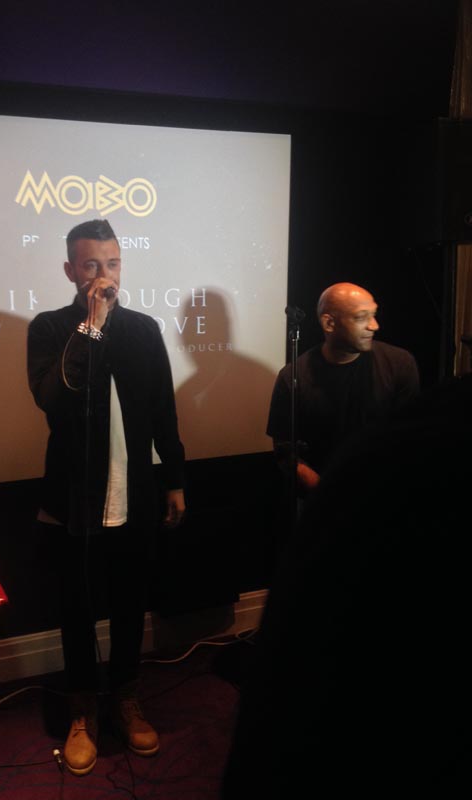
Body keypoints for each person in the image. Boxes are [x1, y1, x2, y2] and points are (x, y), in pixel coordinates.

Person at [222, 370, 472, 797]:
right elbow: (284, 449)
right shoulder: (299, 378)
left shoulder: (400, 368)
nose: (373, 331)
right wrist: (325, 488)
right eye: (361, 320)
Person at [27, 218, 186, 776]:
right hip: (74, 496)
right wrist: (91, 326)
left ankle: (125, 696)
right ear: (70, 270)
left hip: (134, 491)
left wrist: (174, 479)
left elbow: (164, 409)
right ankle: (81, 709)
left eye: (112, 263)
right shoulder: (49, 328)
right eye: (91, 264)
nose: (104, 275)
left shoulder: (143, 329)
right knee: (76, 608)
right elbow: (55, 398)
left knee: (128, 604)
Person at [267, 282, 420, 497]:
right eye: (361, 317)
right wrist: (328, 494)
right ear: (329, 323)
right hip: (321, 499)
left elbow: (409, 436)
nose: (374, 325)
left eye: (373, 315)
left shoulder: (399, 363)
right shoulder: (293, 377)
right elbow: (285, 450)